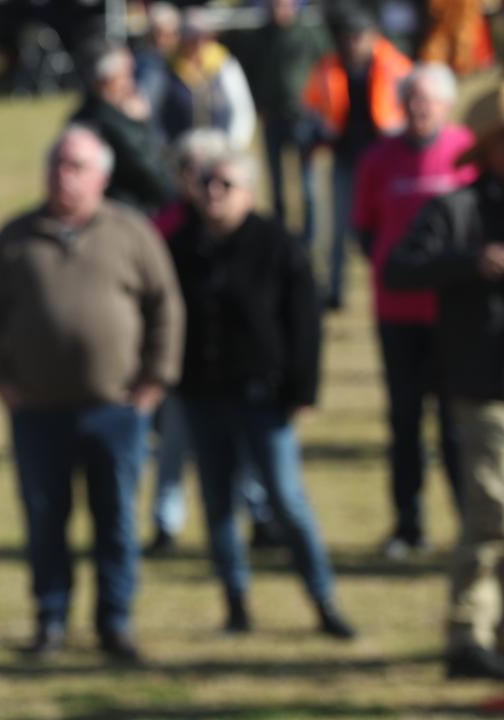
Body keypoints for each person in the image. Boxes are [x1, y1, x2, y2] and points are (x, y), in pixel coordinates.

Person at [0, 124, 184, 662]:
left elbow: (166, 308)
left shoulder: (132, 233)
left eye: (76, 167)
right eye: (57, 165)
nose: (62, 176)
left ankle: (115, 623)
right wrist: (3, 382)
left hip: (116, 411)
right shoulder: (15, 237)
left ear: (102, 177)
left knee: (116, 522)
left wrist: (153, 383)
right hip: (38, 412)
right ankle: (51, 621)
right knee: (46, 522)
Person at [168, 149, 355, 640]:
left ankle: (324, 600)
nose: (213, 192)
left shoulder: (276, 244)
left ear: (249, 192)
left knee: (287, 502)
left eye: (225, 184)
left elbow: (306, 324)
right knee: (218, 504)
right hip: (204, 397)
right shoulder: (182, 246)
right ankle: (236, 605)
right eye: (207, 182)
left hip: (264, 399)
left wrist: (303, 390)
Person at [385, 85, 504, 681]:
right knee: (491, 512)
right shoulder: (456, 210)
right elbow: (398, 267)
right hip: (483, 386)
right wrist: (470, 263)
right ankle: (468, 634)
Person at [352, 62, 476, 560]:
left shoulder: (465, 153)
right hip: (396, 312)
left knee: (454, 425)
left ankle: (471, 524)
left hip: (451, 315)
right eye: (412, 99)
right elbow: (364, 227)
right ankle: (408, 524)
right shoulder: (379, 158)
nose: (420, 108)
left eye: (429, 99)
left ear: (447, 106)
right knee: (404, 422)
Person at [148, 128, 276, 556]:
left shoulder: (240, 227)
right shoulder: (168, 224)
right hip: (183, 358)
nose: (200, 184)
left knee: (244, 448)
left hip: (233, 361)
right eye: (189, 172)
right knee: (173, 444)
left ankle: (258, 515)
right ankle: (166, 521)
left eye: (206, 174)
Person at [304, 5, 411, 309]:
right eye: (347, 36)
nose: (352, 41)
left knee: (385, 229)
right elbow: (312, 106)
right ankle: (335, 291)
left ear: (373, 36)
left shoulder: (395, 66)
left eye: (359, 35)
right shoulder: (328, 68)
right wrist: (317, 133)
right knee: (338, 230)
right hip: (345, 161)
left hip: (385, 163)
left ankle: (390, 285)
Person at [237, 0, 330, 244]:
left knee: (307, 187)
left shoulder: (309, 33)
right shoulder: (260, 37)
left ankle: (308, 241)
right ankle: (280, 238)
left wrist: (321, 107)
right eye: (276, 4)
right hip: (273, 118)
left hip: (304, 118)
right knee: (276, 186)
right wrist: (258, 103)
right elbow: (250, 71)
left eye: (285, 4)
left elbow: (327, 68)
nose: (280, 10)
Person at [71, 42, 173, 214]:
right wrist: (141, 123)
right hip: (128, 215)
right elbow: (156, 179)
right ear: (108, 80)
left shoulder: (80, 116)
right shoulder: (113, 124)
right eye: (127, 74)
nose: (132, 83)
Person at [158, 8, 257, 151]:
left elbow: (242, 109)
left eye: (203, 36)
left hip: (220, 148)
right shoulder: (169, 67)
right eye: (192, 36)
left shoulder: (224, 64)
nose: (198, 42)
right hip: (182, 150)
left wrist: (235, 144)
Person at [135, 2, 181, 117]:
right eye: (162, 34)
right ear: (151, 35)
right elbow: (148, 108)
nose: (168, 41)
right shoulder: (147, 66)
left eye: (173, 34)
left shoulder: (181, 61)